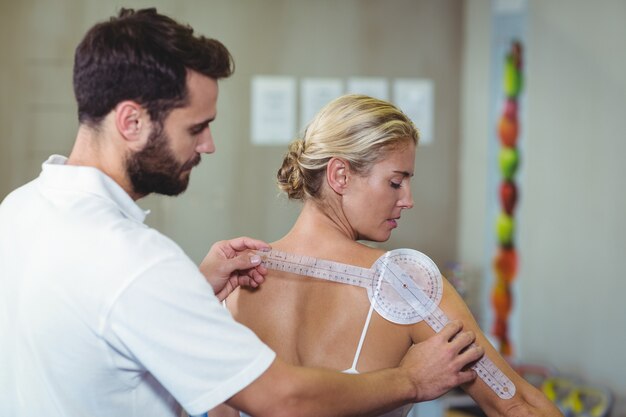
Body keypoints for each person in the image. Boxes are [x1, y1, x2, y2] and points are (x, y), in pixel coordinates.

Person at [0, 8, 486, 417]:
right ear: (130, 120)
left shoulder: (19, 211)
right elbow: (282, 398)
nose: (208, 146)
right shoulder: (139, 264)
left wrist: (188, 290)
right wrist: (410, 380)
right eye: (196, 128)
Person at [216, 94, 564, 417]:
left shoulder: (233, 282)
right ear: (340, 175)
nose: (408, 200)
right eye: (396, 182)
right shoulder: (403, 281)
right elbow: (515, 404)